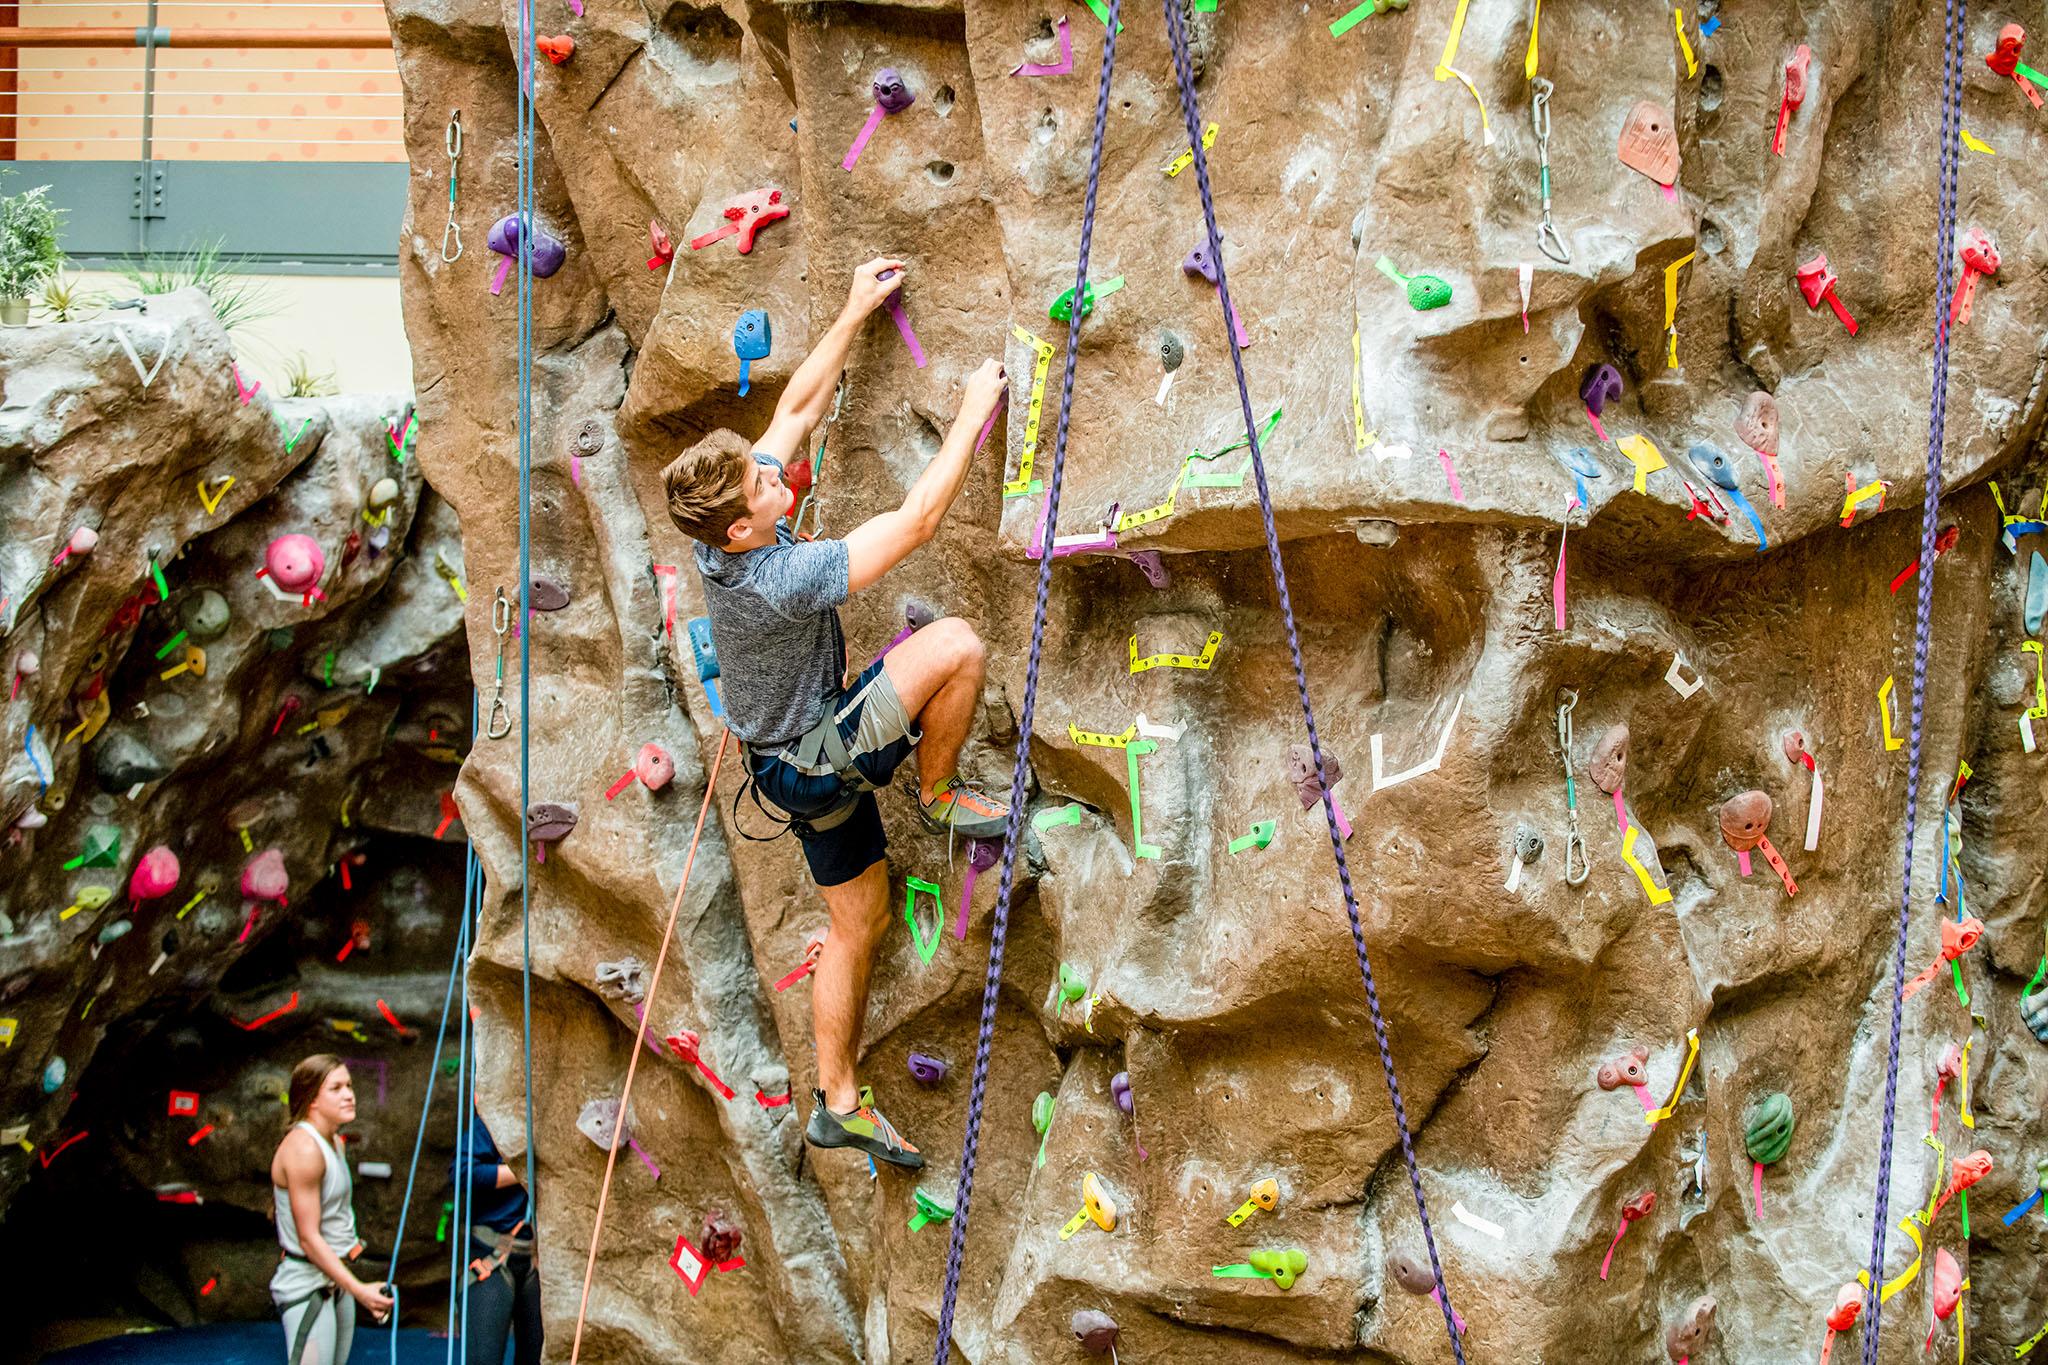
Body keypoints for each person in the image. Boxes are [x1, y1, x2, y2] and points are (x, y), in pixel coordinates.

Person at [661, 257, 1010, 1171]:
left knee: (860, 922)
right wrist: (975, 410)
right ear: (742, 527)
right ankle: (936, 795)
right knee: (958, 646)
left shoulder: (727, 530)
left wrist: (855, 306)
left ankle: (837, 1102)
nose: (782, 479)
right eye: (766, 489)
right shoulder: (777, 572)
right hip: (811, 754)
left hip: (784, 762)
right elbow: (918, 520)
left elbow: (798, 408)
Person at [269, 1054, 390, 1365]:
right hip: (306, 1283)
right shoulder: (304, 1148)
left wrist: (349, 1286)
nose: (349, 1094)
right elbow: (308, 1239)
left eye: (349, 1085)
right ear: (312, 1100)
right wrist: (360, 1290)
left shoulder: (334, 1141)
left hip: (334, 1278)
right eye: (336, 1088)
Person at [452, 1108, 542, 1365]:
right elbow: (462, 1172)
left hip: (538, 1260)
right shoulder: (492, 1124)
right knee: (483, 1359)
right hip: (491, 1256)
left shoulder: (550, 1126)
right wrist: (523, 1172)